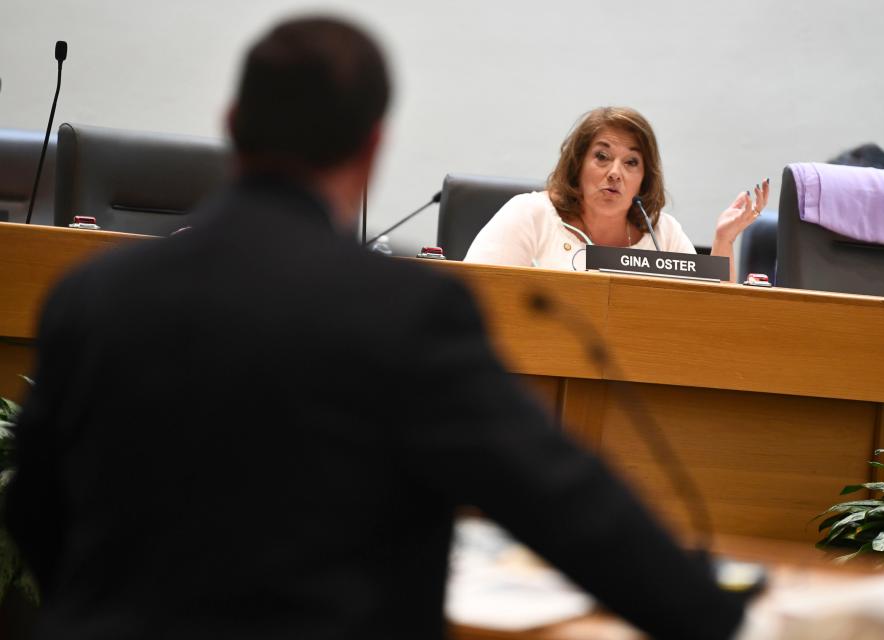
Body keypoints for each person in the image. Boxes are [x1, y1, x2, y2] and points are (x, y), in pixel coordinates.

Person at [6, 17, 745, 640]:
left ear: (232, 127)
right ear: (370, 150)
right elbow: (561, 503)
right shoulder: (405, 313)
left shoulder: (90, 296)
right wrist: (718, 617)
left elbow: (34, 503)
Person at [464, 107, 769, 281]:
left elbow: (713, 314)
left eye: (631, 162)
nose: (615, 172)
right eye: (602, 156)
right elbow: (474, 295)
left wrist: (723, 241)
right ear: (578, 164)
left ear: (644, 179)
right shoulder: (530, 215)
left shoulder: (662, 233)